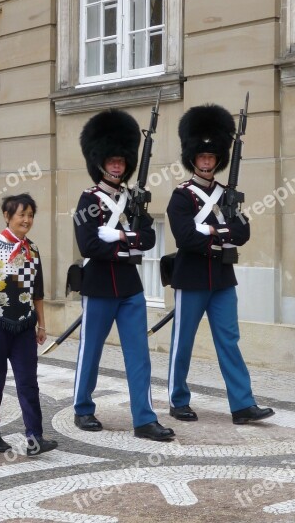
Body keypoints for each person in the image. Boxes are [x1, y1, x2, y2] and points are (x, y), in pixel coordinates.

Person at [166, 104, 275, 425]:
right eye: (202, 157)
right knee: (182, 342)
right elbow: (185, 237)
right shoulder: (181, 195)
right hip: (191, 278)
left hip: (223, 280)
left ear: (218, 160)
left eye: (212, 157)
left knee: (229, 341)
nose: (207, 161)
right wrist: (219, 234)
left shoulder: (228, 194)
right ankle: (177, 399)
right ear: (193, 159)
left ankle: (242, 404)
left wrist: (211, 231)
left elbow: (243, 232)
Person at [73, 109, 175, 442]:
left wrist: (116, 236)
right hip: (99, 286)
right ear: (100, 162)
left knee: (139, 355)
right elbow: (88, 244)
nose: (117, 166)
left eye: (121, 162)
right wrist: (126, 243)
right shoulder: (88, 200)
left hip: (130, 287)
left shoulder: (134, 200)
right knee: (90, 350)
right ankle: (83, 407)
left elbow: (148, 238)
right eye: (112, 161)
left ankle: (144, 419)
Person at [0, 193, 58, 456]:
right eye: (22, 215)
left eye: (30, 215)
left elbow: (37, 291)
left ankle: (34, 437)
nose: (27, 220)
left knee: (28, 382)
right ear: (7, 216)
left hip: (24, 328)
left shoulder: (33, 250)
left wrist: (41, 324)